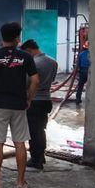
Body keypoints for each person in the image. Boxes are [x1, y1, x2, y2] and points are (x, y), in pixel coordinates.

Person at [0, 22, 39, 188]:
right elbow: (35, 80)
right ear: (18, 39)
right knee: (20, 142)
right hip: (19, 104)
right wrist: (29, 99)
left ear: (2, 37)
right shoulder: (26, 57)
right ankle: (20, 183)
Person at [21, 39, 58, 170]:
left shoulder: (33, 63)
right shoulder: (53, 62)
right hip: (46, 100)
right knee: (40, 130)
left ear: (29, 51)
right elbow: (52, 80)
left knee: (33, 131)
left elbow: (26, 83)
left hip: (34, 100)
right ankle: (40, 156)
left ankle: (36, 160)